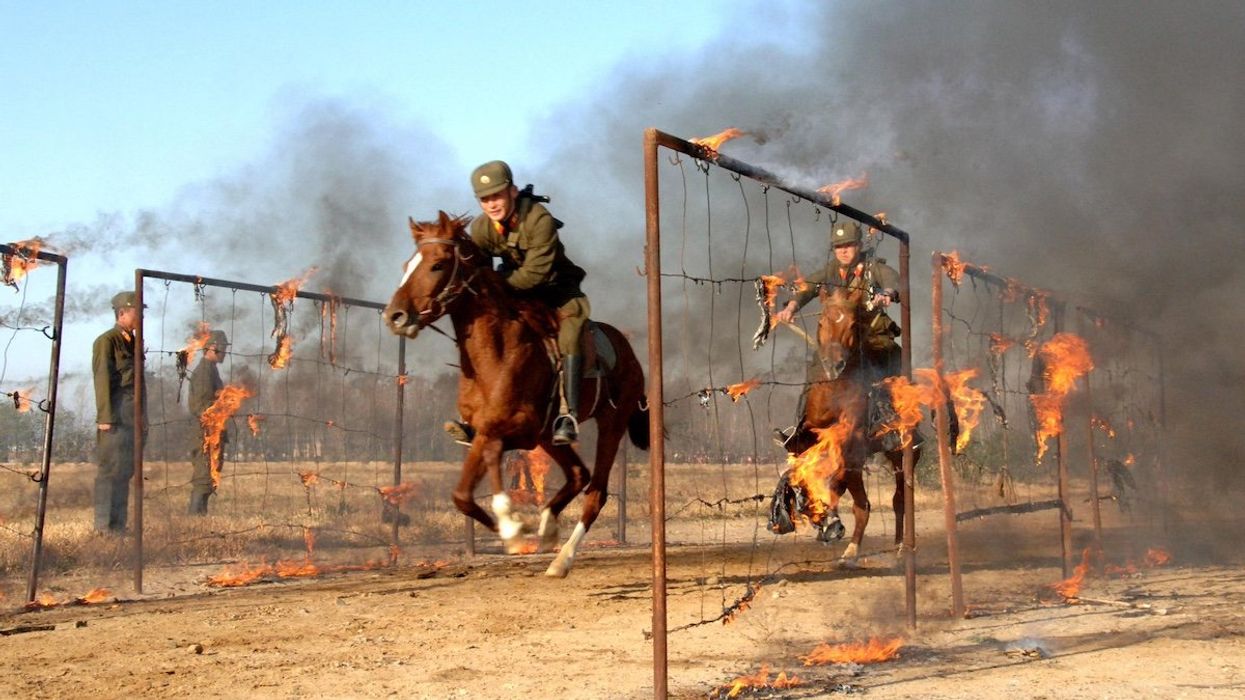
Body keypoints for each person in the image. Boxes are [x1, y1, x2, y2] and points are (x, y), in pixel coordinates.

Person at [444, 160, 589, 445]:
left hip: (557, 291)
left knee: (571, 335)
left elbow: (536, 273)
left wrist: (496, 287)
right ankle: (473, 418)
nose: (492, 204)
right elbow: (480, 269)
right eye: (485, 199)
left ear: (513, 191)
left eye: (497, 195)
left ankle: (567, 415)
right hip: (514, 291)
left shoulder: (539, 220)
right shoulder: (482, 228)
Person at [772, 220, 906, 447]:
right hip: (841, 340)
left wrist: (887, 293)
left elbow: (893, 280)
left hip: (872, 336)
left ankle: (888, 422)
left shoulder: (873, 268)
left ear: (859, 245)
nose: (843, 250)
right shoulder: (830, 271)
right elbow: (807, 289)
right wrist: (791, 307)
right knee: (816, 366)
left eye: (849, 245)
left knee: (886, 362)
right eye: (838, 246)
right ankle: (802, 428)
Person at [91, 291, 146, 533]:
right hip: (114, 418)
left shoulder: (134, 343)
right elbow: (102, 379)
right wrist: (105, 418)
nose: (141, 317)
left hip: (132, 418)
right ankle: (105, 528)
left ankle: (119, 526)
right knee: (110, 472)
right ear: (122, 312)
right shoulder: (107, 341)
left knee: (125, 471)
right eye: (138, 312)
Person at [187, 329, 229, 514]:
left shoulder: (211, 370)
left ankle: (200, 517)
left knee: (210, 474)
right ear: (212, 347)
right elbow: (201, 406)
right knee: (204, 476)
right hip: (206, 432)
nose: (225, 351)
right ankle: (194, 520)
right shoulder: (205, 371)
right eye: (223, 347)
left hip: (214, 431)